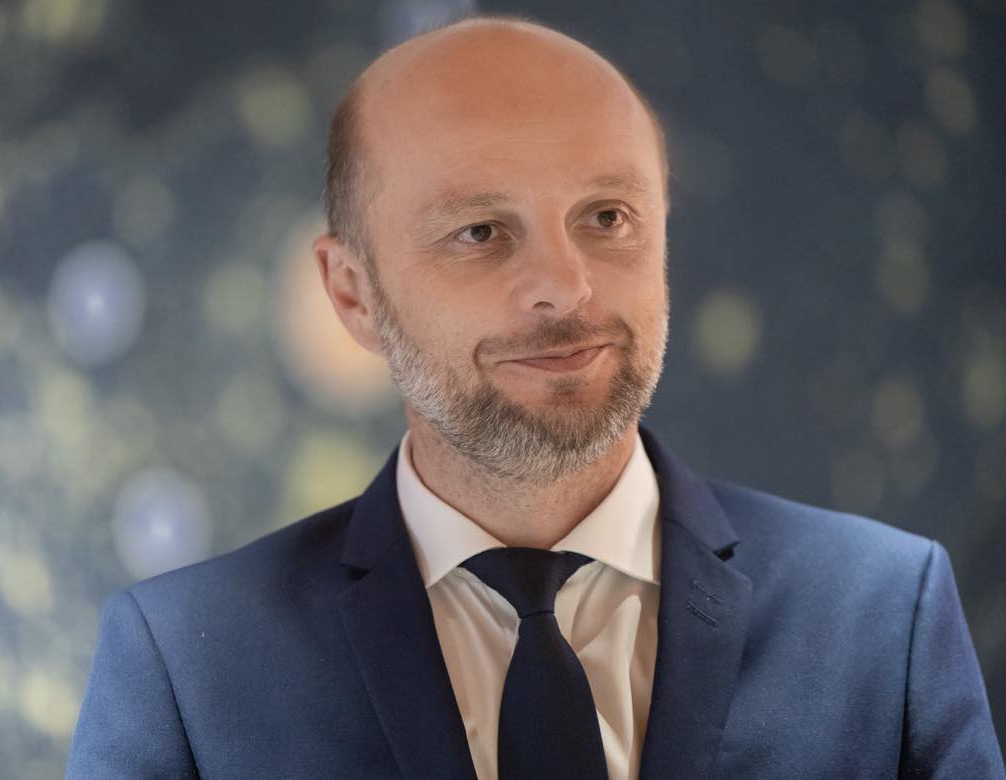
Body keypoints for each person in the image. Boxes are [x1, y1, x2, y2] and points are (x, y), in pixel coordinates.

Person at [66, 17, 1004, 779]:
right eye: (481, 231)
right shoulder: (188, 666)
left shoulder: (885, 617)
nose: (565, 285)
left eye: (608, 217)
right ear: (352, 295)